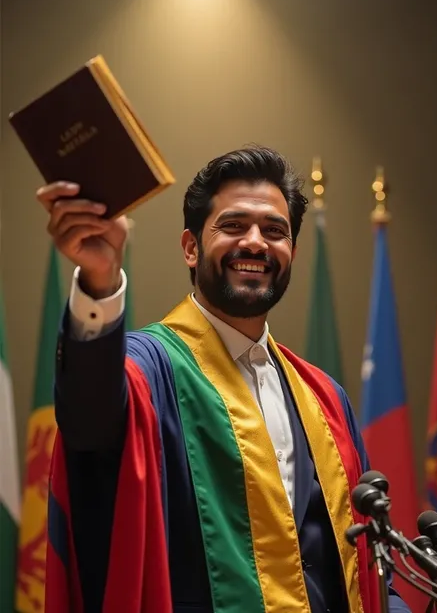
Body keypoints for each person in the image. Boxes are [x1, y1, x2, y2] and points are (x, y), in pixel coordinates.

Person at [38, 145, 411, 613]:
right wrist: (99, 283)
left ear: (290, 253)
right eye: (233, 226)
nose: (255, 242)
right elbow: (88, 418)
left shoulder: (324, 398)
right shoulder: (148, 368)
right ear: (191, 248)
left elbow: (369, 575)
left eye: (274, 231)